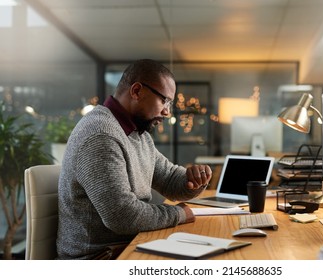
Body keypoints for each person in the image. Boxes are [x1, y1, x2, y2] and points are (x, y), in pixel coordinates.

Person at [56, 59, 212, 259]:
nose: (167, 111)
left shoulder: (138, 134)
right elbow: (123, 216)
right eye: (164, 100)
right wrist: (178, 214)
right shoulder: (101, 136)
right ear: (137, 91)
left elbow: (170, 180)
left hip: (130, 245)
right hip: (98, 258)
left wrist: (195, 180)